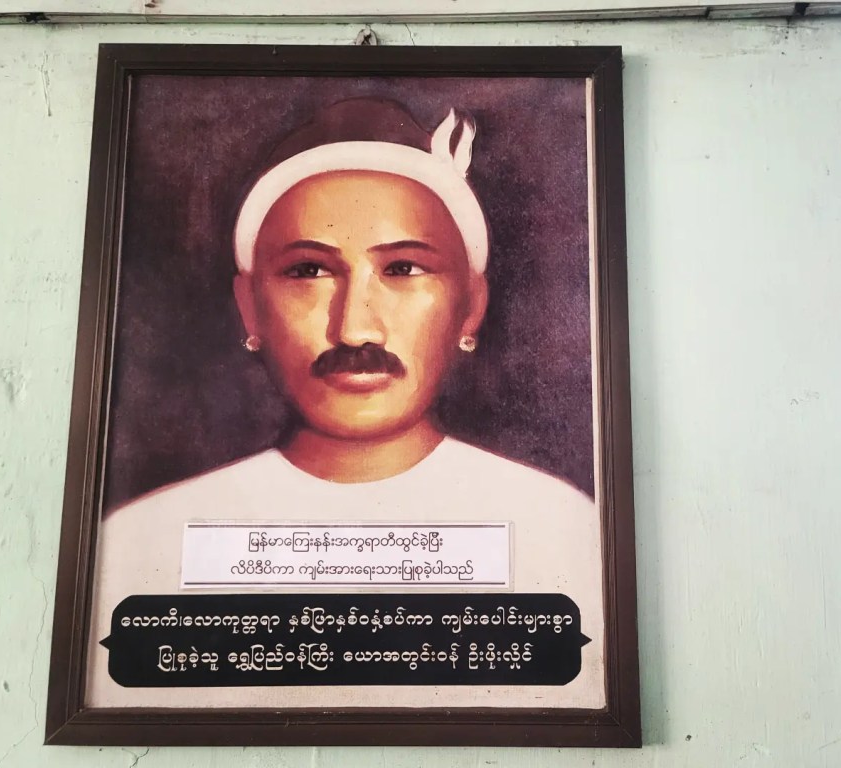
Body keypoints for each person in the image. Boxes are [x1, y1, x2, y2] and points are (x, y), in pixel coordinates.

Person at [86, 98, 605, 710]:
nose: (356, 328)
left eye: (404, 268)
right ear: (250, 309)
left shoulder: (561, 525)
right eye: (309, 271)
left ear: (471, 307)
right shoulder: (140, 538)